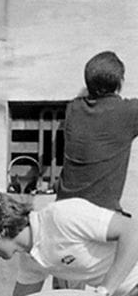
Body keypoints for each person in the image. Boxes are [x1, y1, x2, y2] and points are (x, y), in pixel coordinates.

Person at [0, 190, 138, 296]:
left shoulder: (62, 215)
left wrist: (102, 293)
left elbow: (132, 231)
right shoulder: (30, 260)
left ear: (0, 232)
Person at [56, 51, 138, 214]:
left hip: (63, 207)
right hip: (99, 214)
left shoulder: (73, 109)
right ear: (119, 83)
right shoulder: (129, 112)